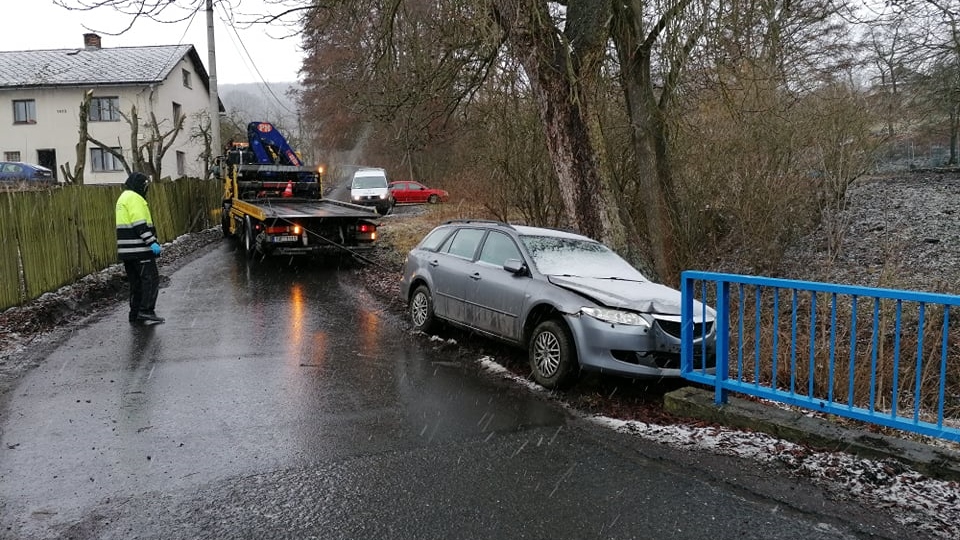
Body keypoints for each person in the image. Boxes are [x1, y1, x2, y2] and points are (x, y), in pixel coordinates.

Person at [115, 172, 165, 324]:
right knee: (150, 279)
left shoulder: (123, 197)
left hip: (126, 250)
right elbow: (139, 224)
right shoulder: (135, 198)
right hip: (139, 249)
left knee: (136, 282)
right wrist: (152, 243)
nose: (146, 189)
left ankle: (135, 312)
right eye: (145, 186)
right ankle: (146, 310)